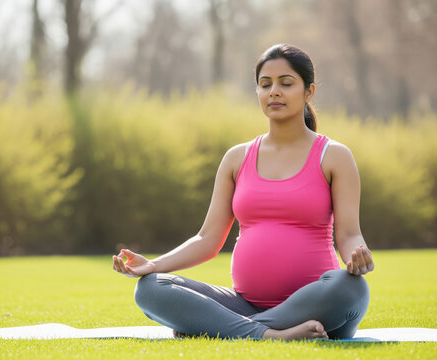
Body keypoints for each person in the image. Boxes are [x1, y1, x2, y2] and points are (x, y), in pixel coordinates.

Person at [112, 44, 374, 341]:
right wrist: (153, 264)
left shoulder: (334, 156)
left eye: (286, 84)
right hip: (244, 304)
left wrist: (357, 254)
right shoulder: (237, 158)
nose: (274, 91)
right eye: (265, 85)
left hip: (319, 305)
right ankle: (269, 334)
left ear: (309, 92)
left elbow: (350, 234)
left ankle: (219, 327)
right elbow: (207, 239)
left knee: (350, 287)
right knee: (150, 287)